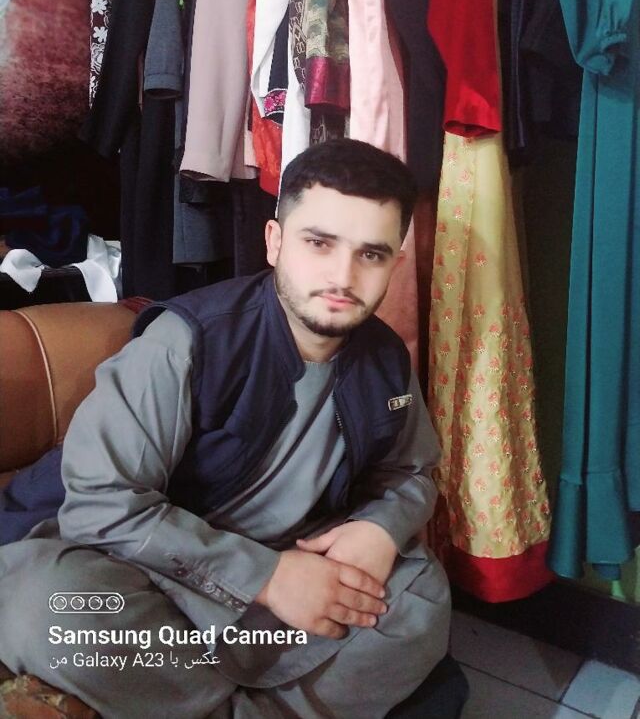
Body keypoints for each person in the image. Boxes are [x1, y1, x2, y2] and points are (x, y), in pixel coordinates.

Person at [0, 139, 451, 718]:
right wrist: (267, 579)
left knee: (420, 597)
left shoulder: (384, 357)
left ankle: (186, 703)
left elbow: (411, 471)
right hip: (155, 567)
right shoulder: (187, 342)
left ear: (395, 262)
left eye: (371, 254)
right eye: (319, 243)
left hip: (284, 563)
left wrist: (380, 530)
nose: (343, 276)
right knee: (52, 612)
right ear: (275, 241)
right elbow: (101, 507)